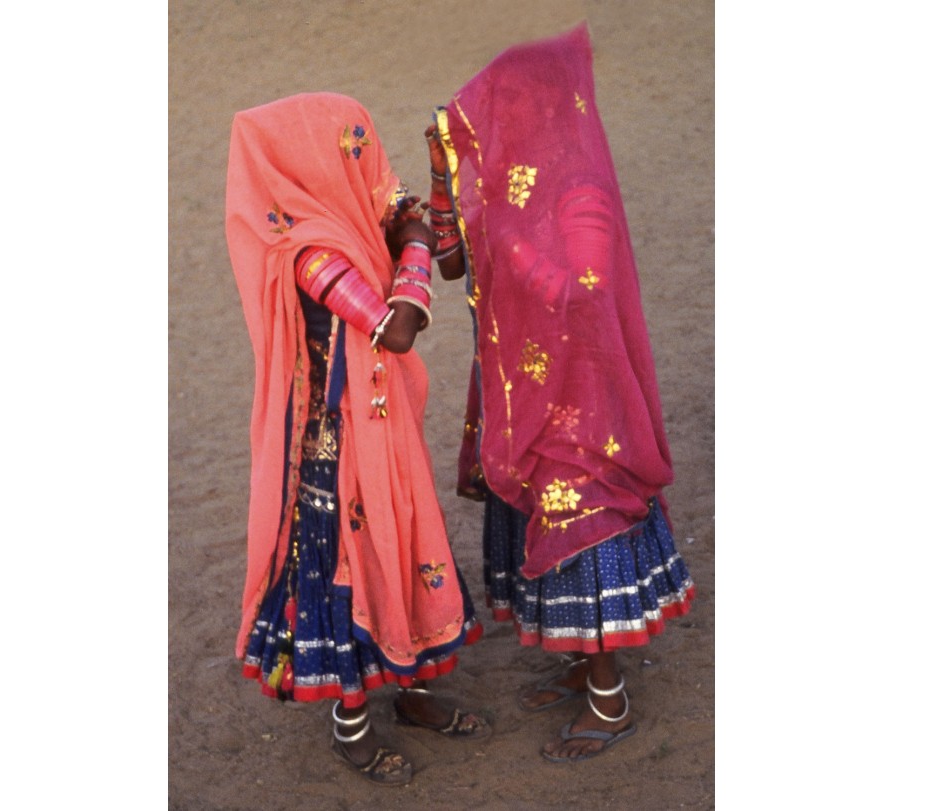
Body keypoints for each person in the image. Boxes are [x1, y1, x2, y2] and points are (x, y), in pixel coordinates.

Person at [424, 24, 695, 763]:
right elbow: (452, 267)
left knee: (581, 526)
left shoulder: (577, 184)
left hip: (583, 407)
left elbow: (586, 292)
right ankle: (582, 667)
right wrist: (446, 179)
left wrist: (510, 248)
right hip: (532, 393)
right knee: (541, 526)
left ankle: (610, 700)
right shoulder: (520, 181)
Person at [225, 92, 489, 787]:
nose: (366, 162)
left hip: (380, 428)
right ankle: (352, 727)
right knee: (345, 569)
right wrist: (418, 245)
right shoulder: (309, 251)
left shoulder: (345, 217)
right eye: (350, 150)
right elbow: (396, 327)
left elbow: (399, 204)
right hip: (333, 454)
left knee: (402, 543)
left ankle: (412, 692)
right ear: (314, 166)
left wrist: (411, 225)